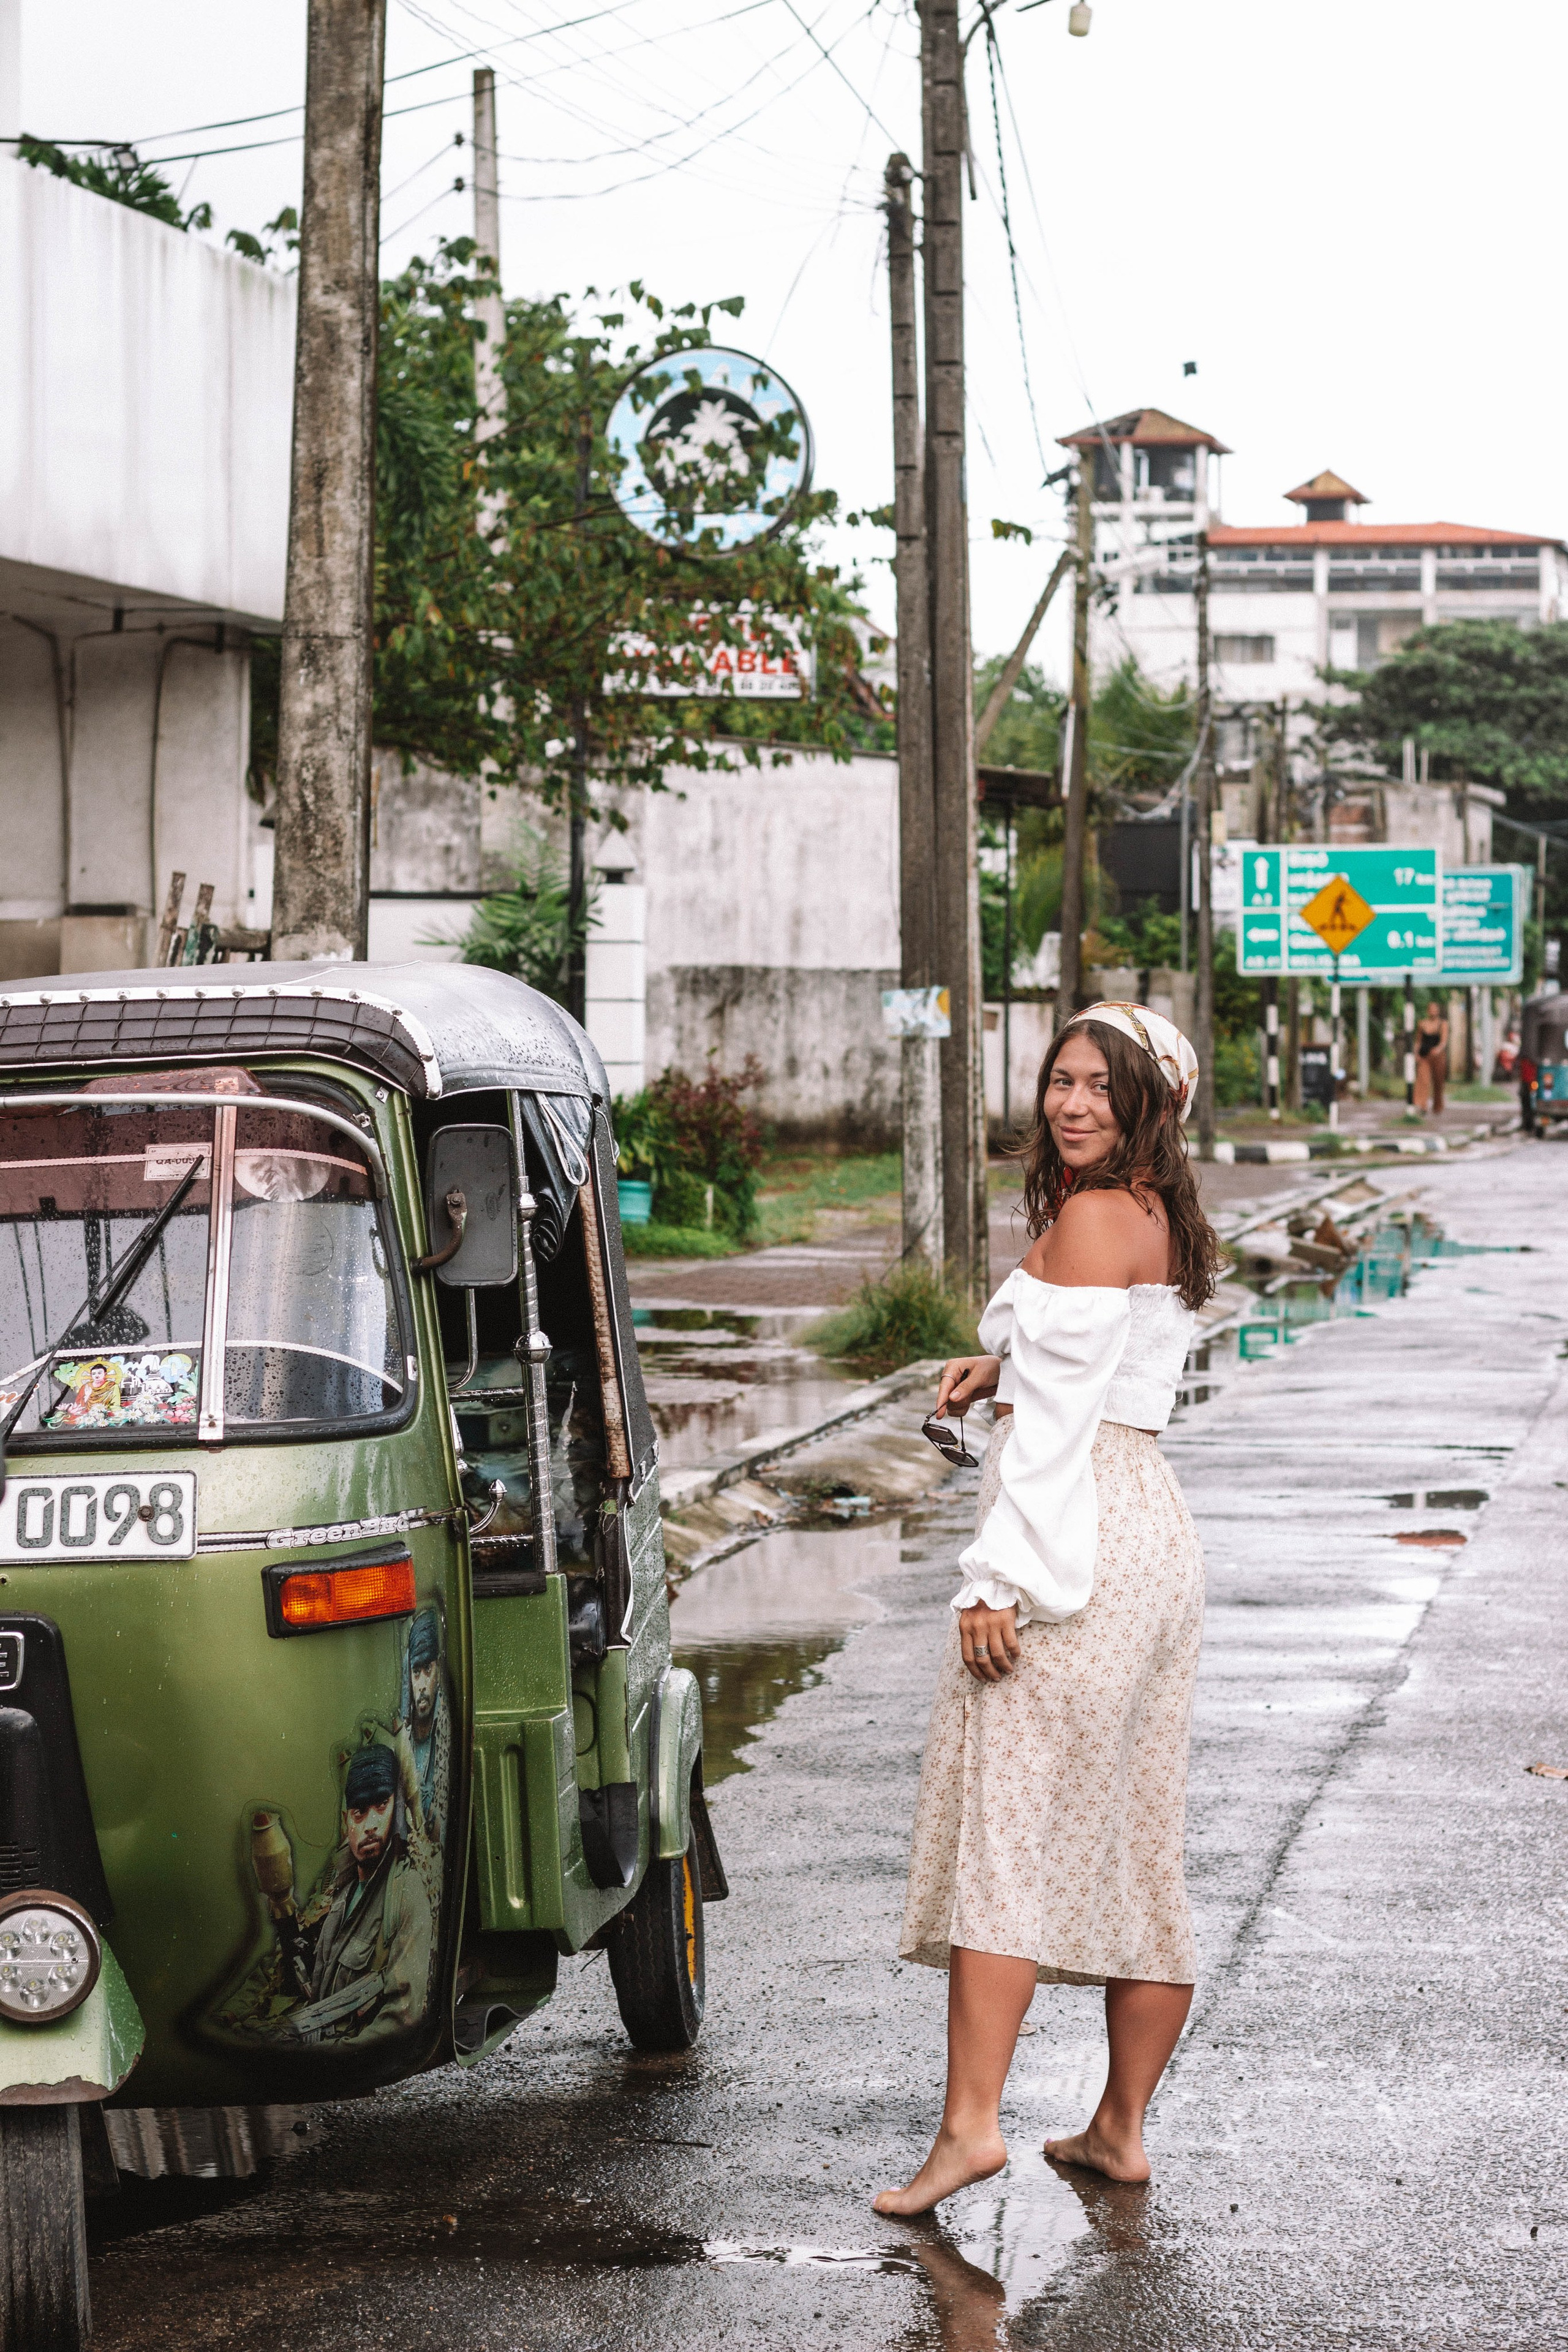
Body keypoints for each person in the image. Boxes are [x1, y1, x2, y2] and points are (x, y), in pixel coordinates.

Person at [875, 1003, 1219, 2216]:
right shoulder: (1154, 1210)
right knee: (1132, 1839)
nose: (1069, 1104)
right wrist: (1002, 1373)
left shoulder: (1086, 1213)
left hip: (1076, 1533)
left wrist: (989, 1582)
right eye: (1058, 1081)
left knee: (1005, 1830)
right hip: (1147, 1533)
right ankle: (1117, 2130)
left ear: (1148, 1106)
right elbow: (1083, 1376)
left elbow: (1054, 1437)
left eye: (1098, 1087)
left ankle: (971, 2128)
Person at [293, 1741, 434, 2046]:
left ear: (396, 1810)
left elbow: (400, 2020)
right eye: (359, 1812)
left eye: (381, 1807)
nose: (370, 1825)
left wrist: (324, 2061)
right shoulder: (337, 1890)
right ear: (347, 1822)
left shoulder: (405, 1894)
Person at [1414, 1000, 1449, 1115]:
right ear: (1428, 1011)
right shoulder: (1422, 1024)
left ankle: (1438, 1106)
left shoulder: (1443, 1024)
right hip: (1425, 1056)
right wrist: (1416, 1054)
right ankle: (1422, 1105)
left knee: (1438, 1083)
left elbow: (1444, 1041)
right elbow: (1418, 1041)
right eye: (1431, 1009)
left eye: (1435, 1009)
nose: (1433, 1011)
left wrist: (1438, 1050)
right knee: (1423, 1080)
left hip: (1438, 1057)